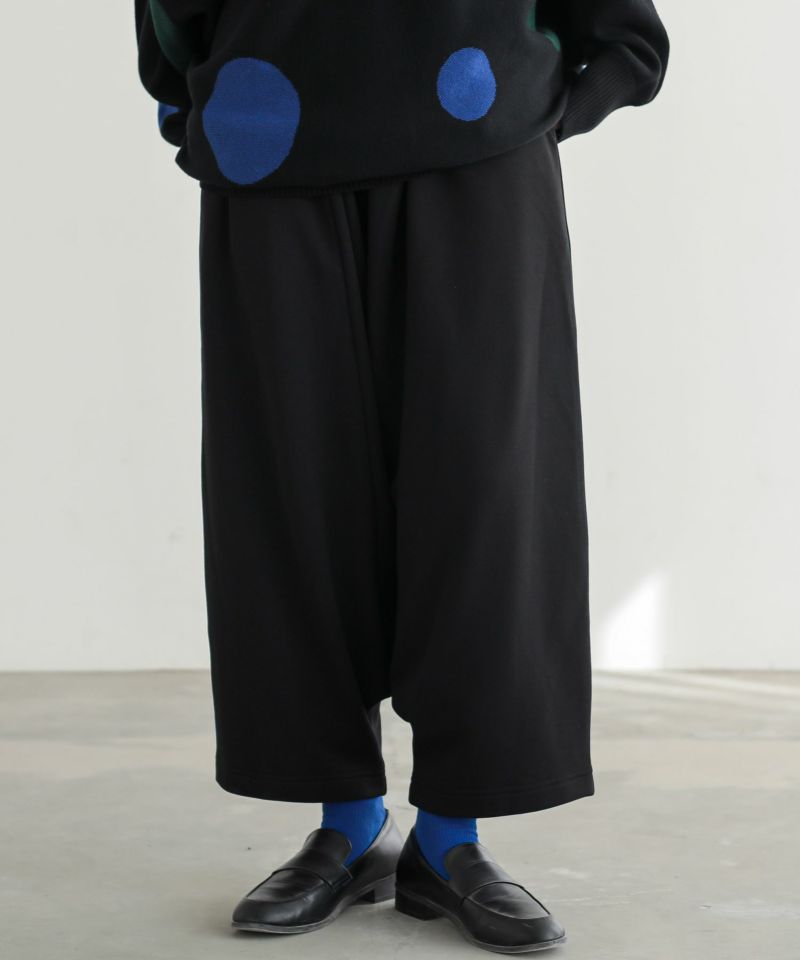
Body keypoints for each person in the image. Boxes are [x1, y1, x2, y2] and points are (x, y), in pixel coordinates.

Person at [134, 0, 668, 952]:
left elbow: (625, 35)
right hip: (272, 137)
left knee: (482, 495)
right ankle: (348, 826)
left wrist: (529, 111)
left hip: (477, 144)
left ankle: (449, 839)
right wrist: (204, 107)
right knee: (292, 494)